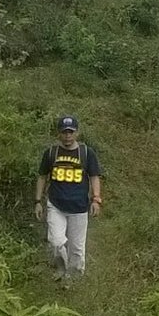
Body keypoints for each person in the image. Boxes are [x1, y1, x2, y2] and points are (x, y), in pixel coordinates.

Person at [35, 115, 103, 283]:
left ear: (77, 133)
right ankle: (62, 268)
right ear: (59, 133)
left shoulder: (87, 153)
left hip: (79, 207)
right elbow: (42, 177)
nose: (67, 136)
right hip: (56, 204)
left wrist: (96, 199)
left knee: (77, 249)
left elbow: (94, 177)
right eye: (64, 132)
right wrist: (37, 201)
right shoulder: (51, 153)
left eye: (71, 132)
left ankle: (73, 280)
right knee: (55, 241)